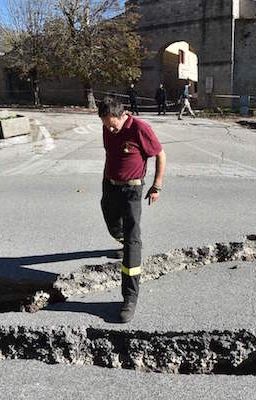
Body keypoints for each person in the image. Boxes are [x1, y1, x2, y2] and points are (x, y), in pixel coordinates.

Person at [98, 96, 166, 323]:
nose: (109, 128)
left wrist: (156, 186)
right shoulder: (109, 128)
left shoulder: (140, 128)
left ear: (122, 115)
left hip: (132, 191)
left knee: (132, 241)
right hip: (110, 185)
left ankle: (129, 298)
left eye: (112, 124)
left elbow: (160, 154)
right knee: (109, 217)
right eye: (105, 124)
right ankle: (123, 241)